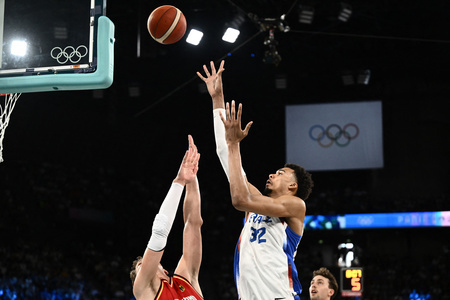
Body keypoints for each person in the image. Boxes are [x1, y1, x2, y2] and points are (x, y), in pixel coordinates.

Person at [197, 61, 314, 300]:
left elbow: (240, 200)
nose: (272, 174)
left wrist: (234, 145)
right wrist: (217, 99)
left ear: (293, 186)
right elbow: (225, 155)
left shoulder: (295, 206)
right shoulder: (256, 202)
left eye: (281, 173)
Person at [129, 135, 204, 300]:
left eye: (143, 265)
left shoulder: (186, 279)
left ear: (164, 269)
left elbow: (193, 223)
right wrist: (179, 182)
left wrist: (191, 178)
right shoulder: (143, 290)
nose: (147, 264)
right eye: (140, 268)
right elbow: (159, 232)